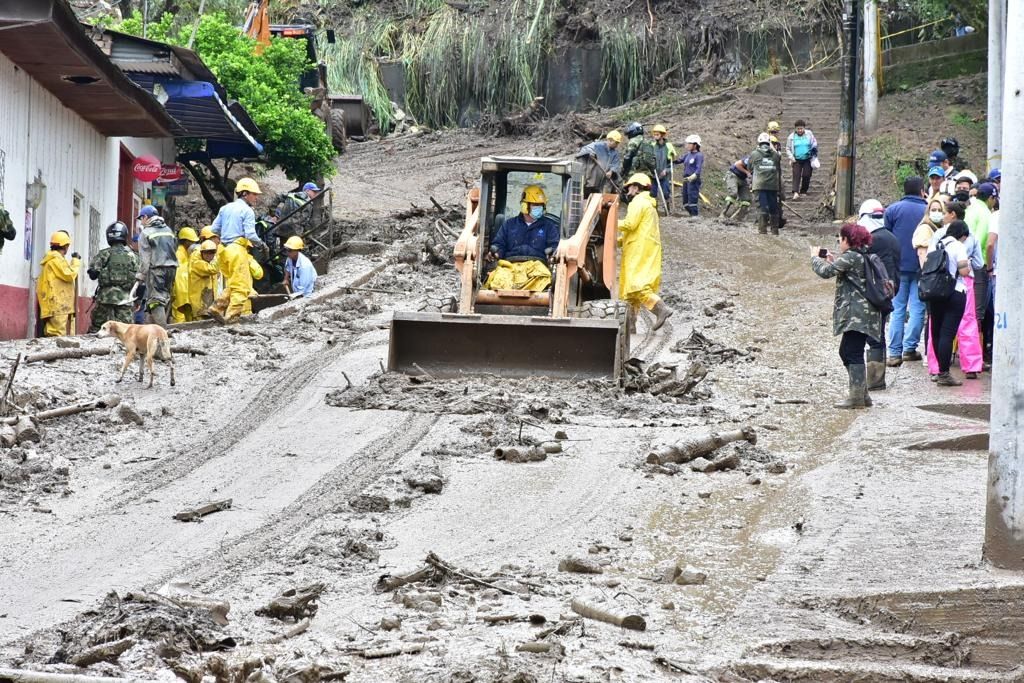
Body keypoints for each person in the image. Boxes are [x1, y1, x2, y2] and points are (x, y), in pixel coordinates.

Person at [811, 223, 883, 409]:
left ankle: (856, 398)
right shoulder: (862, 255)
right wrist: (832, 261)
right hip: (865, 313)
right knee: (847, 351)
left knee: (851, 352)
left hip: (858, 315)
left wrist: (814, 258)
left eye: (841, 238)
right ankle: (863, 395)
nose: (839, 241)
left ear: (848, 240)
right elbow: (842, 271)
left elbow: (825, 272)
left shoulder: (851, 256)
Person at [925, 205, 982, 380]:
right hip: (956, 290)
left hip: (935, 291)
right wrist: (967, 264)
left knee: (936, 331)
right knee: (953, 331)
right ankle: (962, 368)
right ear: (962, 234)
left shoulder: (938, 240)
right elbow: (966, 270)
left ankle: (937, 370)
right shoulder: (960, 245)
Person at [618, 173, 674, 330]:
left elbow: (629, 224)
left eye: (629, 187)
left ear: (636, 187)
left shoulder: (638, 202)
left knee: (638, 285)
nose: (627, 191)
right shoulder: (649, 205)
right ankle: (630, 326)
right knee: (630, 292)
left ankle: (661, 309)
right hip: (644, 247)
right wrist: (618, 241)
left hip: (639, 249)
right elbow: (637, 229)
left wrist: (610, 223)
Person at [883, 176, 928, 366]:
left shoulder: (892, 210)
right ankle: (910, 349)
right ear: (921, 190)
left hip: (898, 267)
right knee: (918, 308)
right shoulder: (928, 209)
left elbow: (886, 236)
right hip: (921, 266)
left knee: (898, 309)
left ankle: (894, 353)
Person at [484, 185, 560, 291]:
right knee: (497, 280)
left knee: (544, 278)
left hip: (537, 267)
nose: (539, 208)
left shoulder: (549, 227)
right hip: (510, 266)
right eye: (535, 205)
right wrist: (495, 253)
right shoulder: (509, 225)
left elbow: (554, 246)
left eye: (541, 205)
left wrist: (552, 254)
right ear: (525, 206)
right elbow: (499, 244)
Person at [859, 200, 900, 391]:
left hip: (874, 294)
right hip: (890, 291)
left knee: (873, 335)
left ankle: (874, 379)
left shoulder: (871, 240)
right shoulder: (892, 237)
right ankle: (877, 378)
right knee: (879, 331)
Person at [87, 221, 139, 333]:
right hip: (125, 299)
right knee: (127, 331)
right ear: (124, 235)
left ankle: (91, 350)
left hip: (104, 299)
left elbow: (93, 275)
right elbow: (140, 279)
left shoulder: (104, 254)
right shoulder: (133, 256)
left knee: (97, 329)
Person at [964, 182, 996, 345]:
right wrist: (986, 265)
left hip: (964, 264)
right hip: (978, 265)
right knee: (978, 312)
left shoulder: (970, 209)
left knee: (968, 309)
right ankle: (974, 353)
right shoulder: (985, 213)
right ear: (991, 198)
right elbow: (983, 240)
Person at [135, 205, 178, 327]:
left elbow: (145, 258)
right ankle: (150, 329)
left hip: (156, 269)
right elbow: (174, 248)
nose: (141, 222)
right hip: (172, 268)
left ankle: (162, 331)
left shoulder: (146, 233)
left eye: (141, 219)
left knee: (155, 301)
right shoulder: (168, 231)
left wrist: (140, 275)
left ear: (145, 217)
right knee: (164, 298)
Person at [38, 231, 82, 337]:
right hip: (58, 303)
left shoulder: (54, 259)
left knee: (57, 333)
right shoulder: (55, 260)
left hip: (58, 303)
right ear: (65, 246)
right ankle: (55, 353)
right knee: (56, 334)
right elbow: (69, 274)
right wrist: (75, 261)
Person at [750, 132, 783, 235]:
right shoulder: (776, 155)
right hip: (773, 186)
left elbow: (750, 167)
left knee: (762, 208)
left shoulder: (754, 154)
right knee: (774, 208)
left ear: (759, 143)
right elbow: (778, 167)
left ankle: (762, 231)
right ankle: (775, 231)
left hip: (759, 185)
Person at [577, 131, 623, 197]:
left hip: (603, 179)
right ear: (610, 140)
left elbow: (615, 164)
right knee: (587, 190)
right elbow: (585, 149)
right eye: (616, 143)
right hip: (593, 174)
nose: (617, 145)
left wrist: (611, 171)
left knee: (600, 193)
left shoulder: (615, 153)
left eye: (618, 143)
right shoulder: (598, 145)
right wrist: (591, 152)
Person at [171, 227, 200, 323]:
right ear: (185, 241)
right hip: (180, 291)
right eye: (191, 241)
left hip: (185, 290)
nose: (193, 244)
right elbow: (179, 276)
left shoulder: (186, 253)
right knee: (180, 316)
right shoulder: (179, 254)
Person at [786, 119, 818, 199]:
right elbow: (788, 148)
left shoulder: (809, 134)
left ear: (804, 128)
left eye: (801, 128)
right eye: (798, 129)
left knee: (806, 175)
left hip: (807, 158)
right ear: (795, 129)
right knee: (796, 175)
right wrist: (791, 157)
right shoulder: (791, 137)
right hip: (796, 159)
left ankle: (803, 190)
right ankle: (795, 192)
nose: (800, 130)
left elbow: (814, 143)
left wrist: (813, 152)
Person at [188, 239, 220, 319]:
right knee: (200, 321)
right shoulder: (196, 262)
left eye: (212, 253)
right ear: (202, 252)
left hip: (209, 298)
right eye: (207, 253)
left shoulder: (210, 261)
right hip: (199, 300)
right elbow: (212, 269)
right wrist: (219, 259)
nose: (209, 255)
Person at [912, 198, 947, 267]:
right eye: (933, 210)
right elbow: (922, 253)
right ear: (928, 212)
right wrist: (927, 273)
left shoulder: (941, 229)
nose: (937, 212)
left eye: (940, 210)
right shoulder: (925, 228)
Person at [648, 125, 678, 206]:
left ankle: (667, 206)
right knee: (653, 193)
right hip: (654, 174)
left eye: (657, 134)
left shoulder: (669, 146)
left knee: (665, 193)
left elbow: (673, 162)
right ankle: (654, 209)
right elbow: (649, 160)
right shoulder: (652, 146)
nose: (655, 136)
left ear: (662, 135)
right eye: (654, 134)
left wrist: (666, 170)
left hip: (664, 175)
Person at [679, 134, 704, 217]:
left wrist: (694, 176)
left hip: (693, 180)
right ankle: (691, 215)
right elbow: (679, 160)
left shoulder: (699, 155)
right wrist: (670, 159)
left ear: (695, 145)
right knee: (685, 201)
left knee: (692, 198)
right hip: (686, 179)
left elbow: (698, 168)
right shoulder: (688, 154)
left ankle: (695, 216)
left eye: (689, 143)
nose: (687, 145)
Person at [721, 155, 752, 220]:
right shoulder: (751, 159)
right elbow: (737, 164)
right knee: (733, 193)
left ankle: (734, 217)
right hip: (733, 174)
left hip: (743, 178)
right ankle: (723, 213)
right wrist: (747, 172)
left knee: (746, 199)